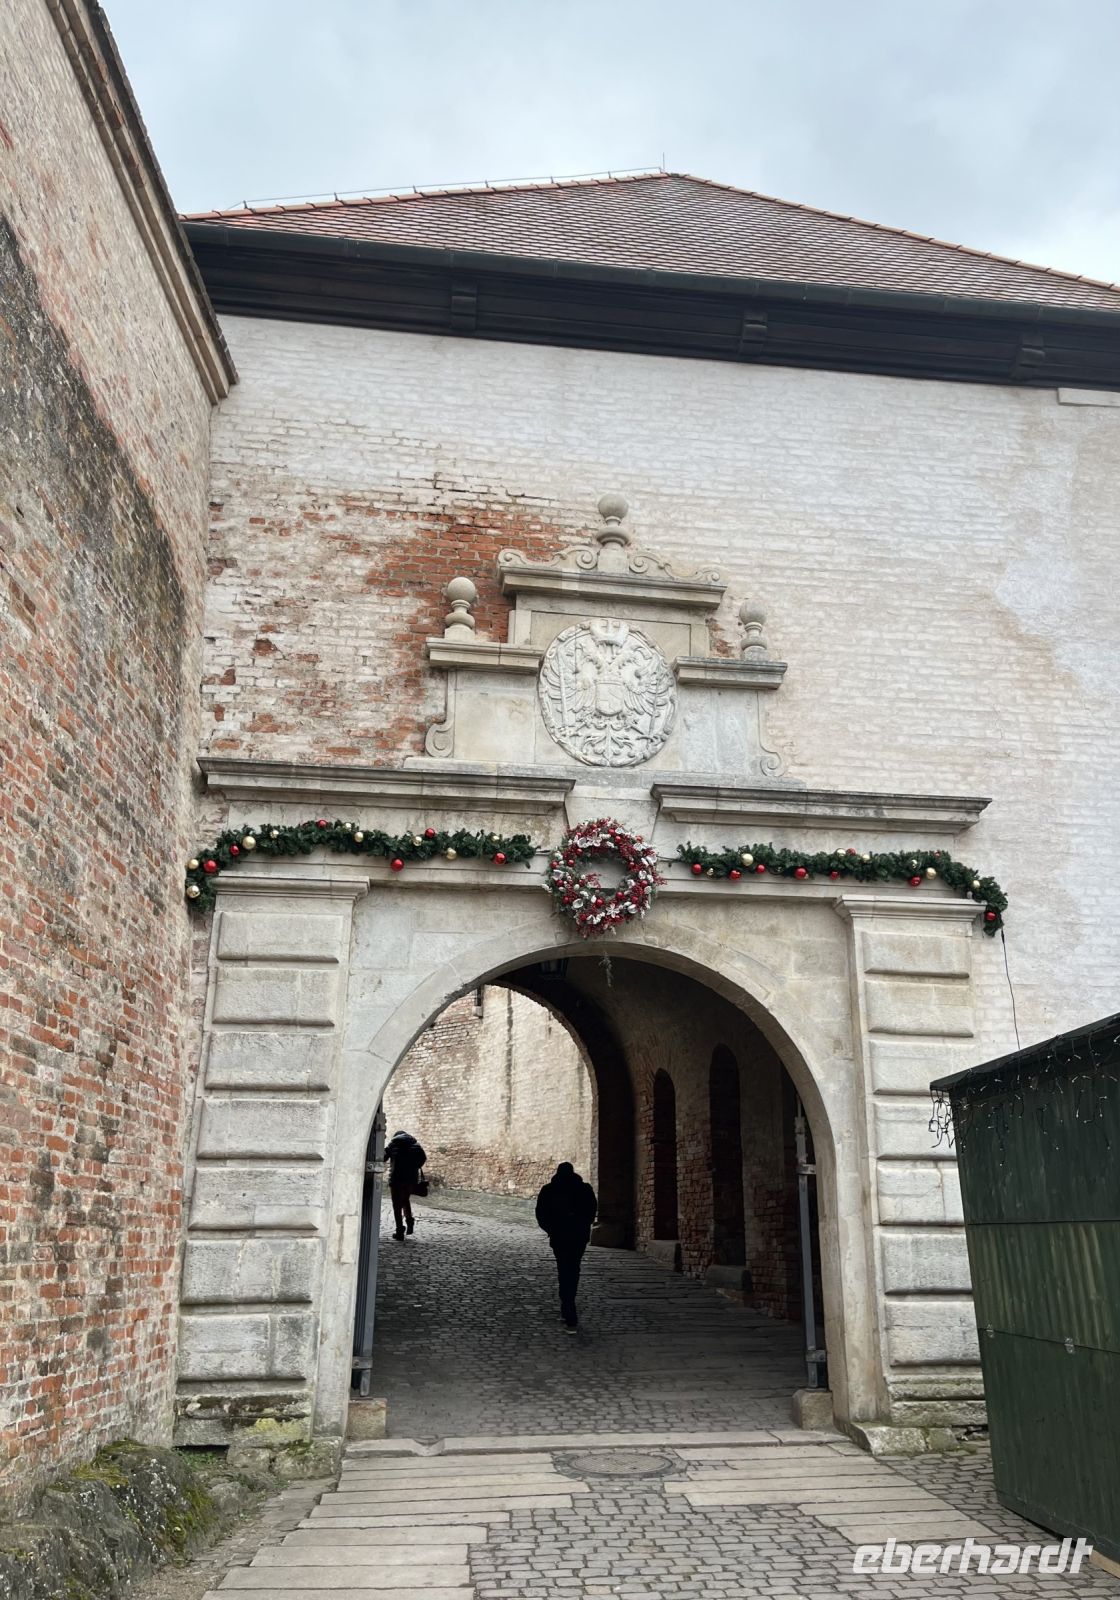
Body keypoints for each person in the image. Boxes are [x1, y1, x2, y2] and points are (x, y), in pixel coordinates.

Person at [535, 1161, 597, 1329]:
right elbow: (592, 1211)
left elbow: (541, 1213)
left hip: (560, 1237)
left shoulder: (549, 1190)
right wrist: (583, 1225)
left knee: (563, 1269)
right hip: (578, 1237)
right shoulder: (584, 1189)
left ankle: (567, 1302)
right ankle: (569, 1301)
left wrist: (551, 1229)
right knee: (574, 1268)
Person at [384, 1129, 426, 1241]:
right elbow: (423, 1159)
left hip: (396, 1178)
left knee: (396, 1205)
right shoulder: (416, 1145)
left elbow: (383, 1157)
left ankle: (399, 1231)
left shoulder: (393, 1144)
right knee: (405, 1200)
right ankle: (409, 1221)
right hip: (410, 1179)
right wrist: (413, 1166)